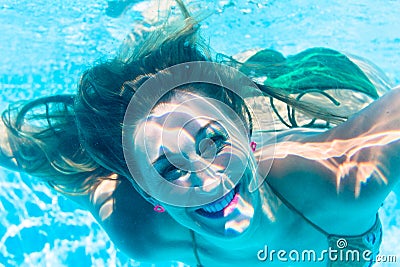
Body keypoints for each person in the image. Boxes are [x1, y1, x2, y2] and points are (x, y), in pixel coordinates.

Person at [0, 1, 399, 266]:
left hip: (332, 82)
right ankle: (154, 31)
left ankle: (158, 25)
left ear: (246, 134)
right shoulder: (143, 235)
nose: (209, 182)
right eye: (168, 171)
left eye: (213, 143)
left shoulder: (344, 175)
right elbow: (29, 152)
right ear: (145, 192)